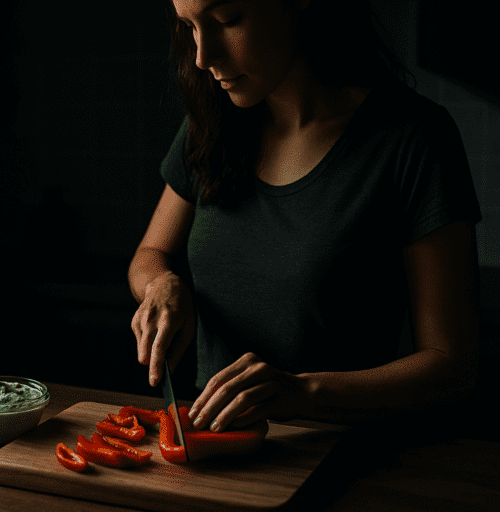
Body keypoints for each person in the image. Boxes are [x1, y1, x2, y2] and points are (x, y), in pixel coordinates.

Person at [128, 0, 482, 434]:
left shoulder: (415, 139)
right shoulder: (210, 124)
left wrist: (301, 392)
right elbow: (151, 253)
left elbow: (453, 368)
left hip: (342, 458)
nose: (203, 57)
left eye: (227, 21)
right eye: (190, 29)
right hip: (216, 456)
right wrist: (161, 284)